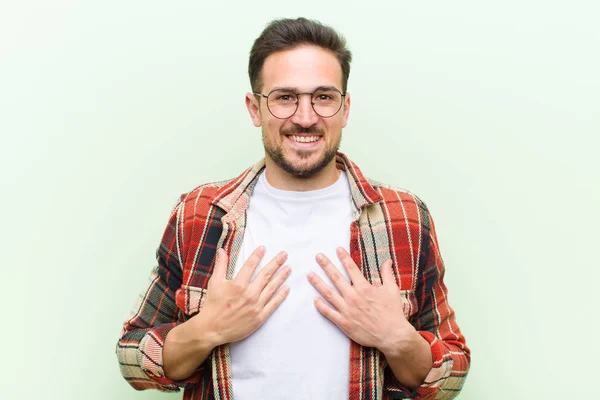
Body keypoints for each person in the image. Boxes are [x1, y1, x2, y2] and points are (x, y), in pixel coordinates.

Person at [116, 17, 470, 400]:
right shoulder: (201, 214)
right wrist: (207, 329)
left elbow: (452, 374)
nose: (305, 117)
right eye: (285, 98)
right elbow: (132, 359)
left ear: (345, 108)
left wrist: (397, 339)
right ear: (255, 109)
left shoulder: (404, 217)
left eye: (323, 97)